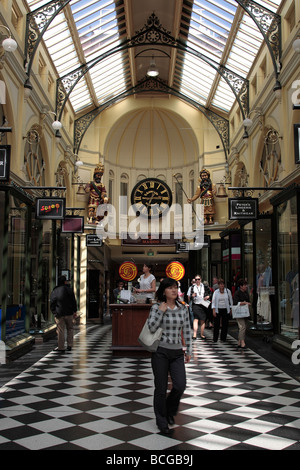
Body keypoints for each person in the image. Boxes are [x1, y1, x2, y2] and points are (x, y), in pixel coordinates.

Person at [147, 278, 192, 435]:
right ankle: (161, 420)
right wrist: (161, 310)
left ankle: (170, 411)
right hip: (160, 352)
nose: (174, 290)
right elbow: (151, 327)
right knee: (160, 388)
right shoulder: (156, 307)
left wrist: (189, 350)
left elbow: (186, 329)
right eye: (170, 288)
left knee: (180, 385)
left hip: (177, 352)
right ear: (164, 291)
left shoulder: (183, 308)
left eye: (176, 288)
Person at [50, 275, 77, 352]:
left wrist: (54, 312)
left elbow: (52, 302)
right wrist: (74, 311)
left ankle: (61, 347)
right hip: (69, 313)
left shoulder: (55, 290)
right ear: (65, 282)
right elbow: (73, 301)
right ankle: (69, 345)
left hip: (59, 314)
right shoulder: (69, 290)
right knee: (70, 329)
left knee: (60, 330)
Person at [188, 275, 210, 340]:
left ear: (201, 279)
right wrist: (192, 296)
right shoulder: (192, 287)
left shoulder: (204, 286)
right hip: (196, 304)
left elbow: (210, 293)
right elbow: (189, 296)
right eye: (196, 279)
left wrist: (208, 296)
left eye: (198, 279)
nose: (197, 281)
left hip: (203, 304)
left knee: (203, 319)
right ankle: (194, 334)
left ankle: (202, 334)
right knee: (196, 318)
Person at [233, 279, 251, 349]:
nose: (246, 286)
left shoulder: (246, 293)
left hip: (245, 312)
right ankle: (242, 341)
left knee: (243, 327)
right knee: (242, 327)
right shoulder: (237, 293)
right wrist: (244, 303)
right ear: (241, 286)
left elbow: (248, 300)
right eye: (244, 285)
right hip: (239, 312)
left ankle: (239, 341)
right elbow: (235, 303)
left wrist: (247, 303)